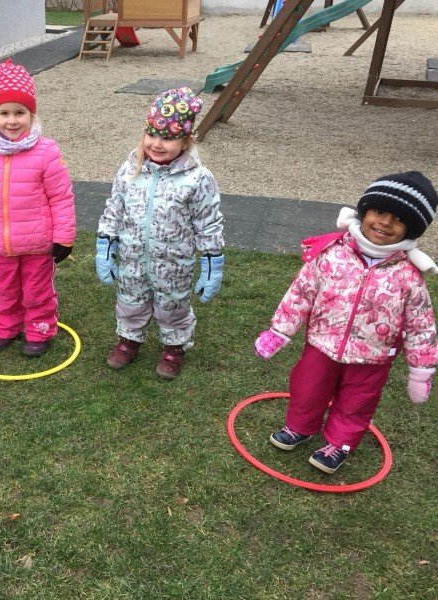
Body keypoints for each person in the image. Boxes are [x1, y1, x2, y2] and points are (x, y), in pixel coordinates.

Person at [256, 172, 438, 474]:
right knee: (307, 389)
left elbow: (421, 326)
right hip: (321, 345)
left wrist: (421, 371)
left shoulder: (409, 276)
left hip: (372, 359)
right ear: (364, 211)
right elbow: (301, 293)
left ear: (412, 228)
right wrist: (280, 331)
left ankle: (338, 443)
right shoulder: (331, 254)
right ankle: (299, 426)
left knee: (356, 403)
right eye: (379, 211)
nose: (385, 222)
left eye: (399, 219)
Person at [96, 87, 224, 379]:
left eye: (167, 138)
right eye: (151, 134)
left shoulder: (198, 179)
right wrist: (106, 246)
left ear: (186, 140)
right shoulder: (130, 169)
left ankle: (174, 348)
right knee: (130, 299)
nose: (157, 144)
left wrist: (212, 263)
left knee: (172, 305)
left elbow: (208, 222)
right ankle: (129, 340)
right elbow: (114, 209)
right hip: (132, 259)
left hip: (173, 264)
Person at [0, 59, 76, 357]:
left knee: (37, 291)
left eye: (20, 112)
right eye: (4, 113)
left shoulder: (47, 151)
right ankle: (6, 328)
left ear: (31, 114)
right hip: (0, 245)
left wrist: (64, 238)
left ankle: (39, 330)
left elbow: (61, 198)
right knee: (6, 289)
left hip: (38, 244)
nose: (12, 121)